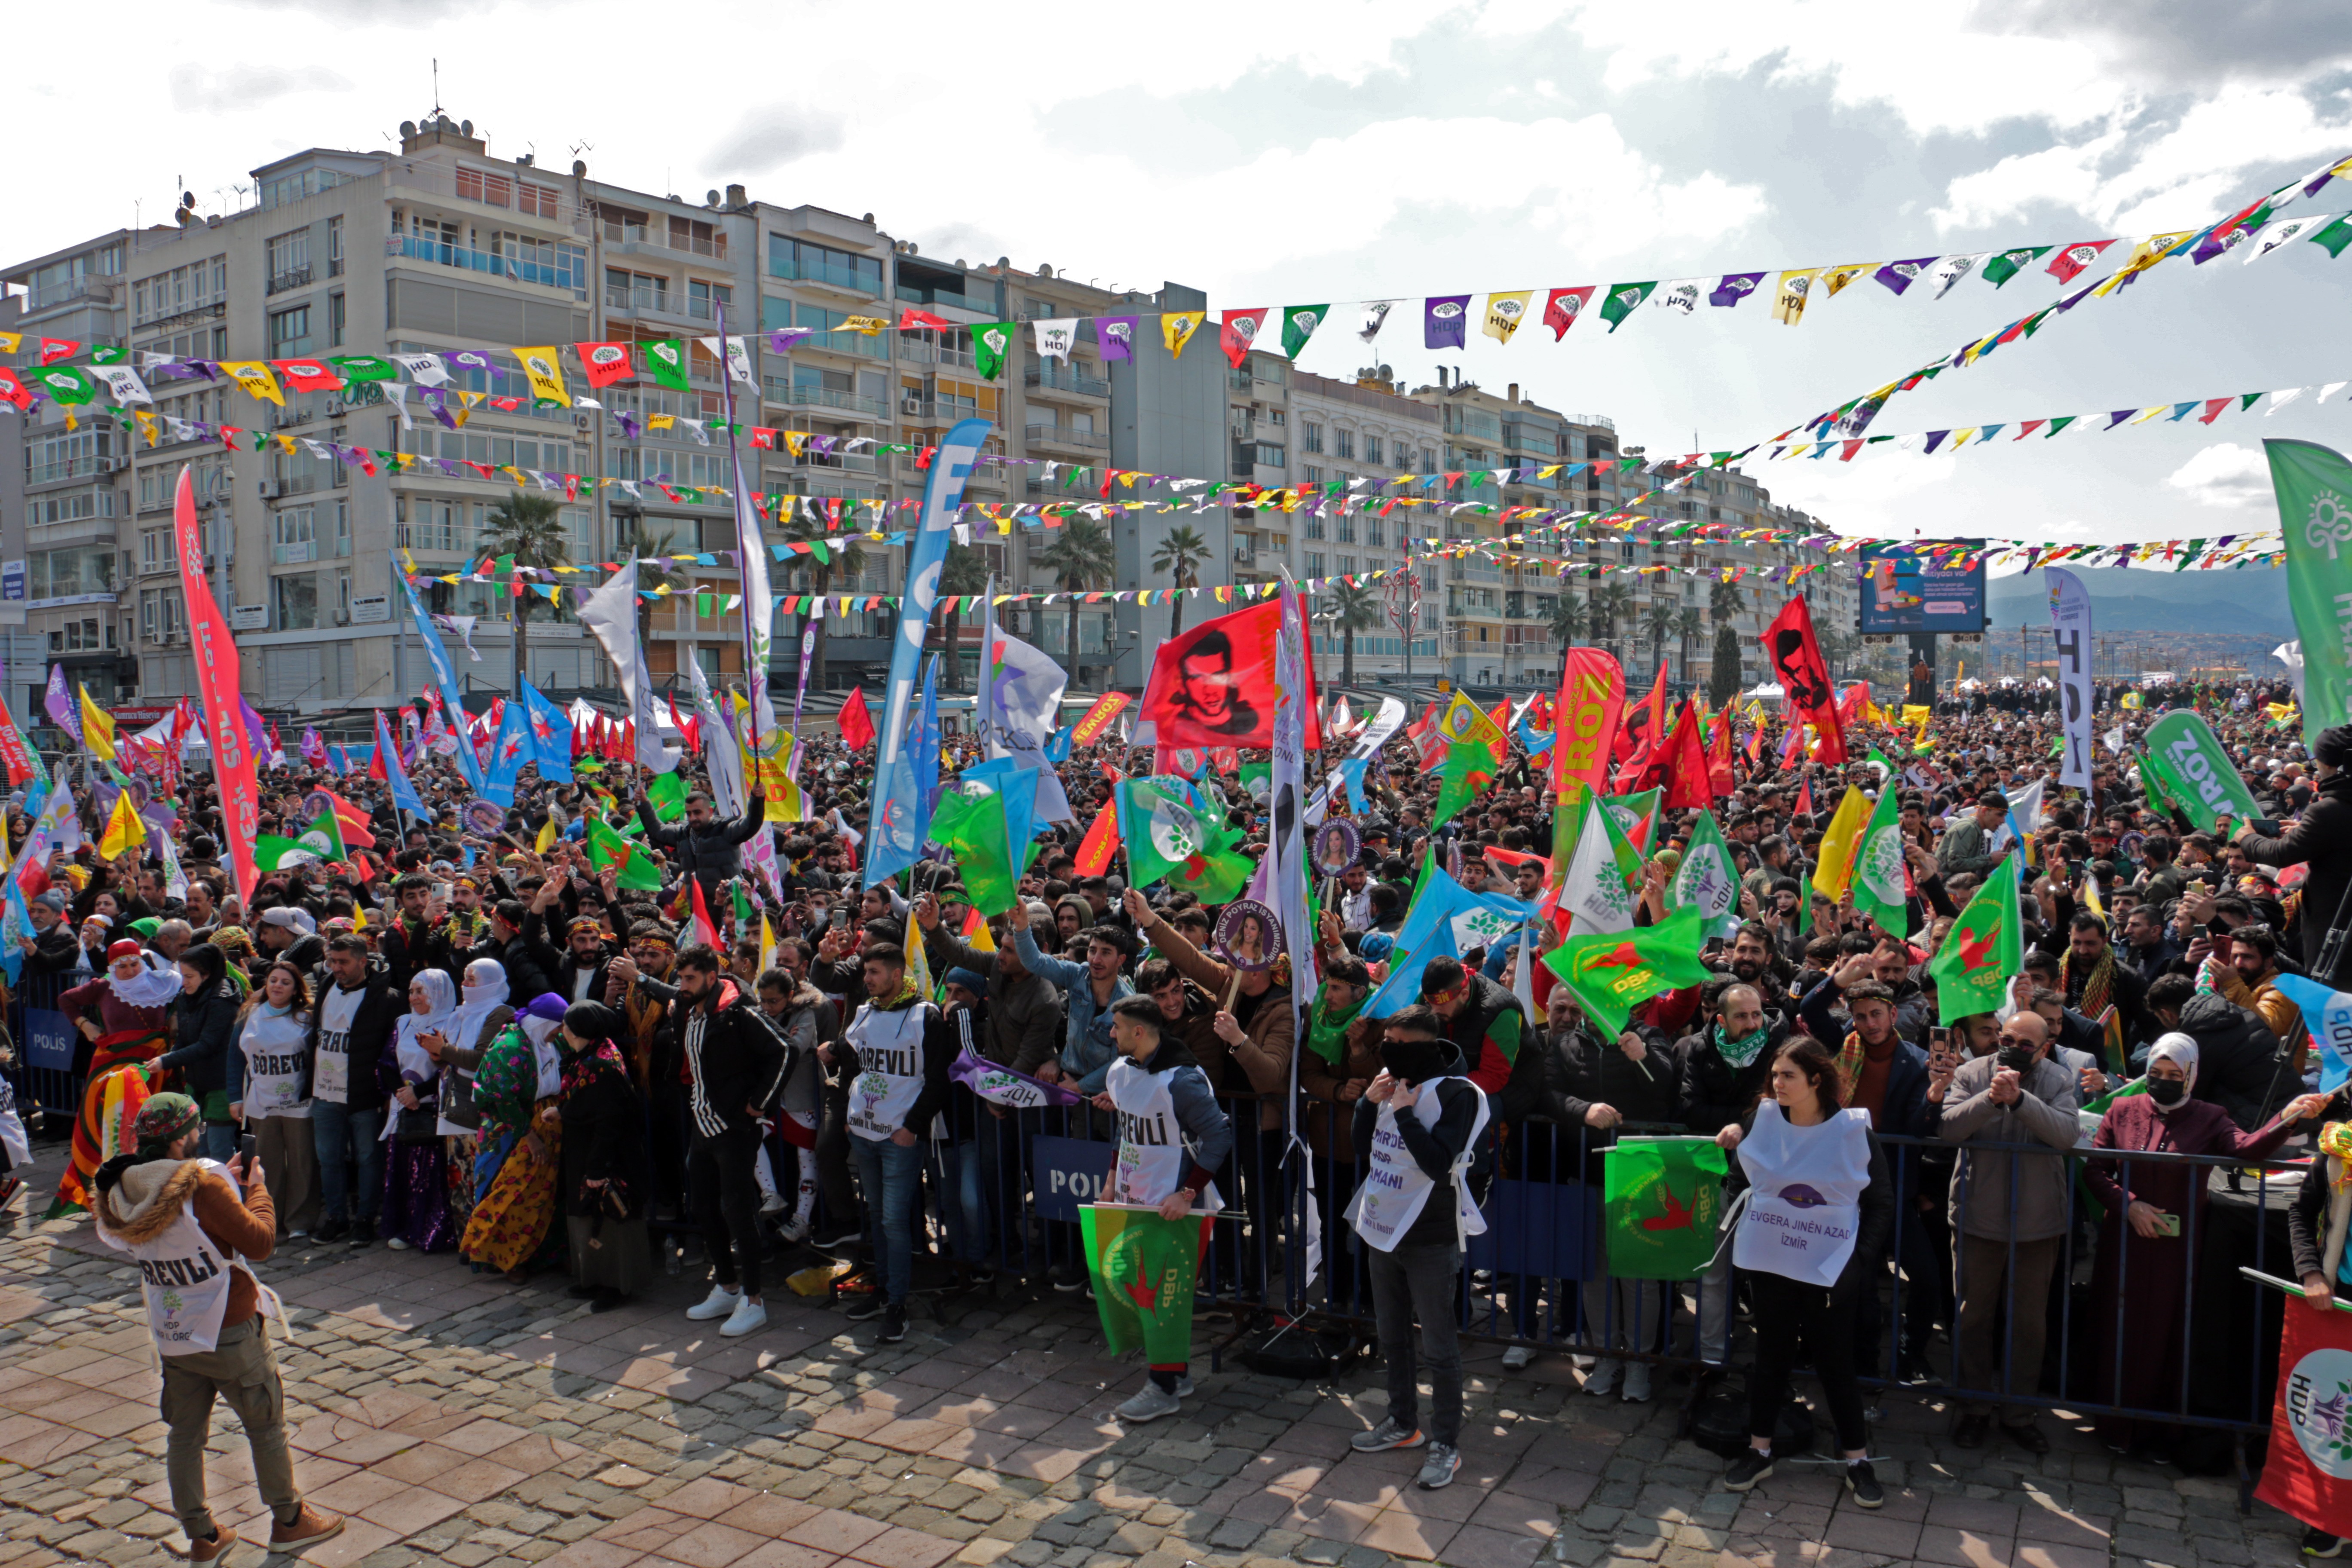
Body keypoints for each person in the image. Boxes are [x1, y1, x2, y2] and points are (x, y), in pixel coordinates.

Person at [90, 1092, 343, 1562]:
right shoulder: (204, 1187)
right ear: (181, 1138)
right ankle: (290, 1521)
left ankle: (202, 1535)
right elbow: (261, 1241)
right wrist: (255, 1188)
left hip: (174, 1329)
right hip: (228, 1326)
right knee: (265, 1426)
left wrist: (224, 1182)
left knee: (185, 1434)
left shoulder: (125, 1188)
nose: (198, 1137)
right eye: (194, 1131)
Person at [2083, 1034, 2326, 1457]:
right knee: (2117, 1331)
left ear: (2192, 1075)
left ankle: (2159, 1434)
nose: (2163, 1082)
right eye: (2156, 1074)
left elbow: (2247, 1149)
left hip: (2178, 1253)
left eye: (2174, 1075)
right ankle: (2114, 1426)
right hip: (2125, 1246)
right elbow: (2097, 1171)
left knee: (2168, 1338)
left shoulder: (2210, 1117)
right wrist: (2130, 1206)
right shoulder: (2123, 1109)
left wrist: (2286, 1119)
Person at [1715, 1038, 1893, 1509]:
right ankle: (1759, 1450)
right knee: (1771, 1357)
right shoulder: (1762, 1122)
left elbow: (1879, 1204)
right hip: (1772, 1265)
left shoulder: (1854, 1132)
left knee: (1836, 1363)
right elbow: (1739, 1180)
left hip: (1830, 1271)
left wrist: (1858, 1261)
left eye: (1788, 1075)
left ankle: (1856, 1460)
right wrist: (1744, 1233)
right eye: (1775, 1075)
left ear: (1817, 1079)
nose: (1777, 1084)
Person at [1343, 1004, 1487, 1491]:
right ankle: (1402, 1422)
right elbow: (1362, 1146)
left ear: (1425, 1045)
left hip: (1428, 1235)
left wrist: (1404, 1115)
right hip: (1383, 1227)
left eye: (1399, 1043)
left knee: (1440, 1346)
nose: (1388, 1051)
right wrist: (1368, 1101)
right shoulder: (1390, 1079)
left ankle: (1446, 1443)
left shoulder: (1458, 1094)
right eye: (1387, 1041)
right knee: (1393, 1334)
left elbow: (1435, 1160)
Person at [1927, 1011, 2076, 1454]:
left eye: (2025, 1043)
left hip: (2037, 1221)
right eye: (2006, 1038)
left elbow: (2068, 1135)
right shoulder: (1973, 1072)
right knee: (1973, 1316)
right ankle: (1973, 1408)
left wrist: (2021, 1102)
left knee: (2029, 1323)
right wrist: (1990, 1100)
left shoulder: (2057, 1079)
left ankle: (2018, 1412)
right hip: (1979, 1216)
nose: (2011, 1047)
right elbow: (1949, 1128)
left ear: (2045, 1048)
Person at [834, 941, 953, 1344]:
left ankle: (899, 1305)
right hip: (865, 1133)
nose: (866, 980)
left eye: (874, 973)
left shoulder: (926, 1017)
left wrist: (913, 1127)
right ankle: (883, 1291)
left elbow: (939, 1080)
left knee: (893, 1221)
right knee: (878, 1217)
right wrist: (852, 1115)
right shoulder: (865, 1011)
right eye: (866, 972)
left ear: (897, 974)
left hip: (899, 1136)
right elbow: (854, 1062)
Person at [675, 943, 790, 1338]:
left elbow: (784, 1051)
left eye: (691, 978)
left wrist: (758, 1104)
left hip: (734, 1130)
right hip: (701, 1127)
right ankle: (727, 1286)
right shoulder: (690, 1013)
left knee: (740, 1213)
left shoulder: (739, 1013)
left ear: (711, 977)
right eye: (681, 977)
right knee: (704, 1207)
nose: (683, 985)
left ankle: (754, 1300)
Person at [47, 938, 179, 1216]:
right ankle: (105, 1190)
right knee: (109, 1125)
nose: (130, 971)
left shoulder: (163, 983)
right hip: (112, 1068)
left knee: (149, 1124)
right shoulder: (103, 987)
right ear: (111, 968)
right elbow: (66, 999)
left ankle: (155, 1189)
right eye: (123, 967)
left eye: (134, 964)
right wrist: (85, 1025)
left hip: (152, 1067)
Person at [457, 994, 572, 1281]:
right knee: (509, 1193)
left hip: (548, 1125)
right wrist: (530, 1137)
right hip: (509, 1131)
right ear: (544, 1023)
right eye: (558, 1026)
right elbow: (504, 1099)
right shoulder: (509, 1047)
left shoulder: (553, 1042)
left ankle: (544, 1254)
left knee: (546, 1194)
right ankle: (508, 1260)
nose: (562, 1032)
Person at [2286, 1091, 2352, 1558]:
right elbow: (2301, 1210)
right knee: (2340, 1417)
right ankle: (2334, 1519)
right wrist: (2310, 1271)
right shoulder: (2337, 1146)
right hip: (2341, 1296)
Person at [556, 1000, 653, 1311]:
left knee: (611, 1220)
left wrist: (598, 1168)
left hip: (607, 1158)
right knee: (588, 1219)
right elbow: (585, 1104)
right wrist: (561, 1112)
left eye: (566, 1025)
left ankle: (616, 1286)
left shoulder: (602, 1065)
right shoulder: (590, 1056)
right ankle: (594, 1279)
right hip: (586, 1153)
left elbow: (609, 1121)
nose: (563, 1030)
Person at [2236, 723, 2352, 981]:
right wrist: (2308, 832)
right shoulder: (2333, 812)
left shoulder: (2328, 811)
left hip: (2337, 934)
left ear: (2330, 765)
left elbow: (2282, 855)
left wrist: (2248, 839)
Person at [307, 932, 398, 1246]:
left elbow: (392, 1049)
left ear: (364, 960)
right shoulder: (327, 986)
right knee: (328, 1158)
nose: (336, 968)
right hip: (324, 1092)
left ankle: (364, 1219)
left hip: (363, 1094)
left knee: (369, 1158)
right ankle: (337, 1217)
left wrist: (386, 1093)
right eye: (332, 961)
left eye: (343, 962)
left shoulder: (385, 997)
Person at [234, 960, 320, 1239]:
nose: (278, 986)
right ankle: (267, 1218)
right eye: (273, 980)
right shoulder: (250, 1013)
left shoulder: (306, 1017)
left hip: (299, 1103)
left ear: (296, 988)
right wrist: (235, 1097)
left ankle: (299, 1221)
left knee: (301, 1161)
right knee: (266, 1162)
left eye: (285, 982)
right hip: (261, 1101)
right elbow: (235, 1059)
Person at [377, 970, 458, 1253]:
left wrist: (419, 1093)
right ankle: (406, 1228)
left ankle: (434, 1231)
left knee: (432, 1174)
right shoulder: (403, 1022)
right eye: (411, 991)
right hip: (406, 1109)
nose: (414, 998)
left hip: (435, 1110)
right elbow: (386, 1062)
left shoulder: (452, 1022)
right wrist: (402, 1092)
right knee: (403, 1171)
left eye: (421, 992)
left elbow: (452, 1068)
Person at [163, 941, 245, 1162]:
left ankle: (227, 1195)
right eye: (182, 975)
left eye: (189, 976)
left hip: (220, 1086)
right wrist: (169, 1056)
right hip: (196, 1083)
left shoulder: (223, 1002)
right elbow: (184, 1038)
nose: (184, 982)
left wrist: (165, 1062)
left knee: (219, 1152)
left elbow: (206, 1044)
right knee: (197, 1150)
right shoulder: (186, 998)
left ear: (207, 974)